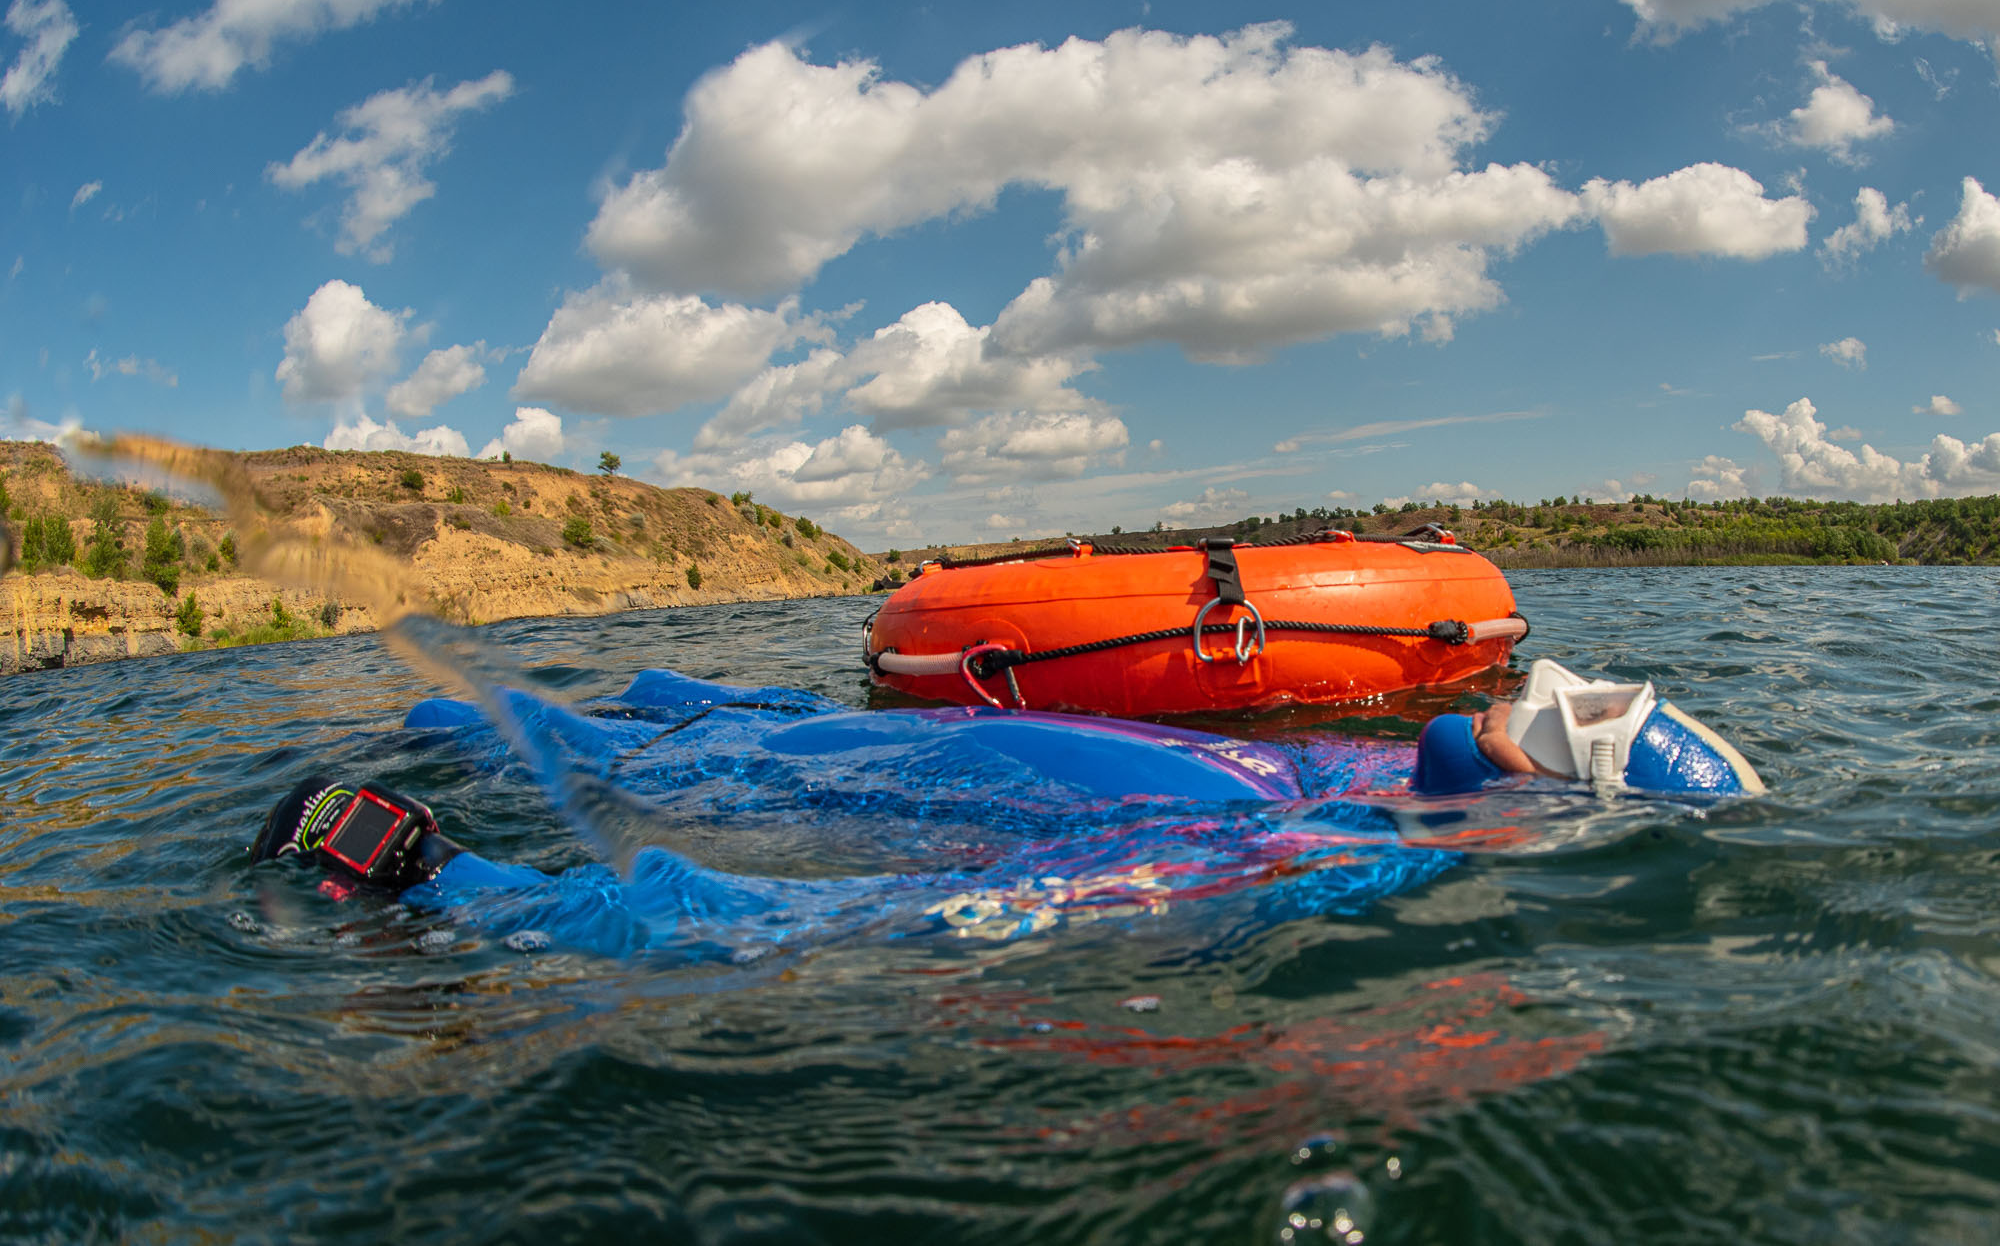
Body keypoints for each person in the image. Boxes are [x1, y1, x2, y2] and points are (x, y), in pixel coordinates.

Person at [249, 660, 1761, 954]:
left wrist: (452, 882)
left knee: (601, 745)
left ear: (1549, 818)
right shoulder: (1359, 784)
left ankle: (510, 727)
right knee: (687, 721)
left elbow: (842, 924)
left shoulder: (1297, 871)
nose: (1536, 700)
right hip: (840, 742)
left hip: (829, 797)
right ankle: (664, 699)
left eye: (1569, 727)